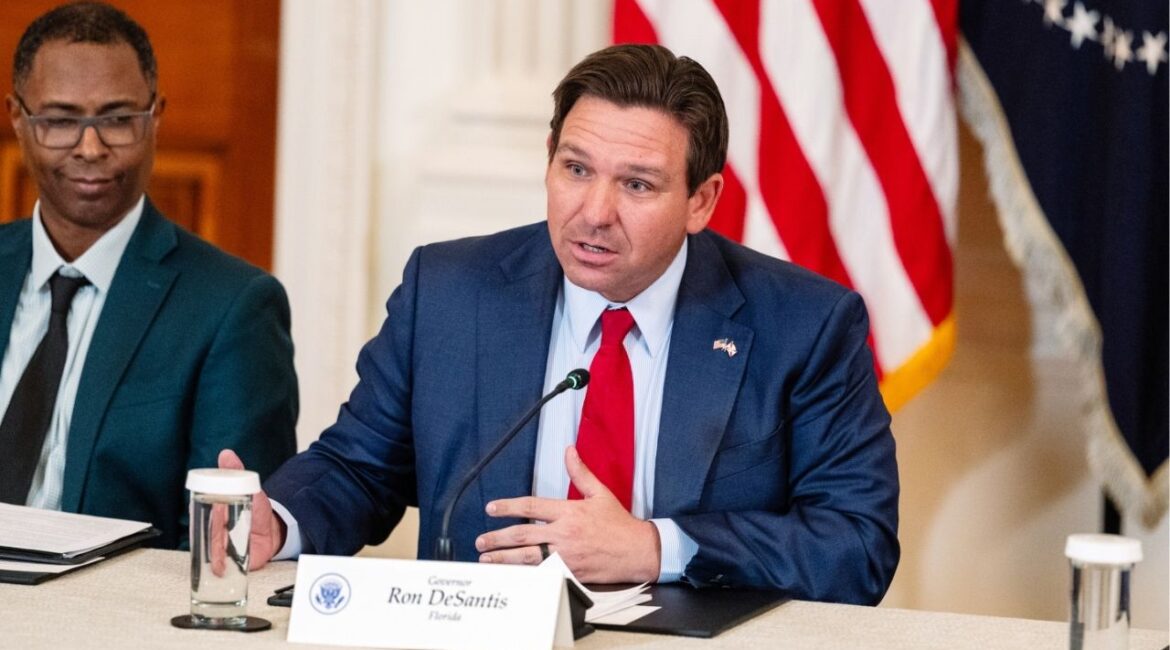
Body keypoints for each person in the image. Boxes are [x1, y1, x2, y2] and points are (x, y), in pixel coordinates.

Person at [233, 43, 898, 604]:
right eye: (575, 169)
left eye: (637, 185)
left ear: (702, 200)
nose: (594, 212)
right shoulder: (449, 292)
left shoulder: (804, 326)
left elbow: (856, 546)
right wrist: (282, 522)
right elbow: (360, 468)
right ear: (549, 155)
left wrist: (653, 547)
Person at [0, 2, 298, 549]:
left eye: (117, 119)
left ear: (155, 117)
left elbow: (225, 548)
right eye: (61, 120)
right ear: (19, 118)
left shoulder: (233, 308)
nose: (90, 148)